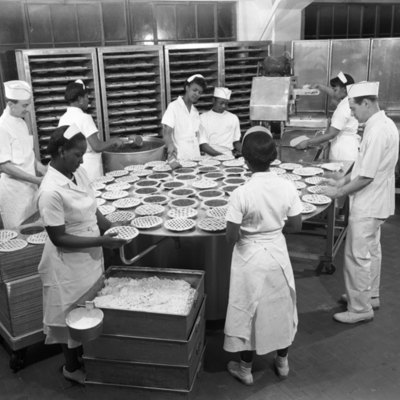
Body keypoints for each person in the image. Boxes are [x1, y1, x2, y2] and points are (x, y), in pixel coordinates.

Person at [37, 124, 129, 384]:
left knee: (88, 308)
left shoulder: (78, 172)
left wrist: (109, 227)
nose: (81, 160)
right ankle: (71, 366)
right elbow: (59, 237)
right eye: (77, 155)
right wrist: (100, 240)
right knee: (68, 315)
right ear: (61, 151)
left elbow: (92, 205)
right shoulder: (50, 191)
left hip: (89, 253)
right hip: (66, 262)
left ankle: (88, 356)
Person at [223, 126, 302, 385]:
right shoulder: (287, 186)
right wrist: (274, 233)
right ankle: (282, 361)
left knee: (249, 310)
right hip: (277, 253)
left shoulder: (241, 194)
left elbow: (231, 237)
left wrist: (250, 235)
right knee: (281, 306)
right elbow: (296, 225)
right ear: (274, 156)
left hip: (249, 257)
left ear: (245, 161)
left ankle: (245, 369)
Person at [322, 81, 399, 324]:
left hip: (369, 203)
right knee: (371, 252)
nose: (352, 114)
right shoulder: (382, 124)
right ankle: (370, 295)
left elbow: (366, 176)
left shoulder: (377, 130)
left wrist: (338, 192)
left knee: (357, 256)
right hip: (378, 202)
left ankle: (360, 308)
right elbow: (364, 164)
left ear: (366, 103)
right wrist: (342, 178)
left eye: (354, 109)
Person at [0, 80, 47, 228]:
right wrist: (36, 180)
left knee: (35, 228)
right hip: (15, 194)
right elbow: (5, 166)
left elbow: (28, 154)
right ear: (10, 104)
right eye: (24, 105)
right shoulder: (2, 126)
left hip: (30, 188)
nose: (28, 109)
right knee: (20, 234)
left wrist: (43, 170)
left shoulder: (21, 122)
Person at [58, 80, 126, 181]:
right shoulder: (84, 118)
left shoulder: (63, 118)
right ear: (80, 99)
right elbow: (97, 146)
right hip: (88, 168)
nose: (88, 101)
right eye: (86, 97)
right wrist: (114, 140)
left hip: (71, 166)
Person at [295, 72, 360, 161]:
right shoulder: (350, 100)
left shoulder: (343, 107)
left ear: (344, 89)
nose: (333, 92)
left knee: (340, 173)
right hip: (350, 147)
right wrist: (320, 86)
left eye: (335, 89)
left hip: (343, 152)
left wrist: (307, 142)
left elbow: (331, 134)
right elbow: (334, 94)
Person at [161, 74, 207, 161]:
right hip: (179, 158)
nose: (197, 94)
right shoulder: (174, 107)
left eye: (200, 92)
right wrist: (170, 145)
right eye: (195, 90)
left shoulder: (195, 112)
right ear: (187, 88)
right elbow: (166, 132)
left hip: (195, 158)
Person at [199, 87, 242, 156]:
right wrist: (221, 157)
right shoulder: (203, 118)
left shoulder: (233, 118)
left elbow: (236, 142)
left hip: (228, 156)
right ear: (213, 101)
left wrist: (247, 152)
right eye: (221, 103)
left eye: (226, 103)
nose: (223, 106)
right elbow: (203, 145)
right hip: (209, 157)